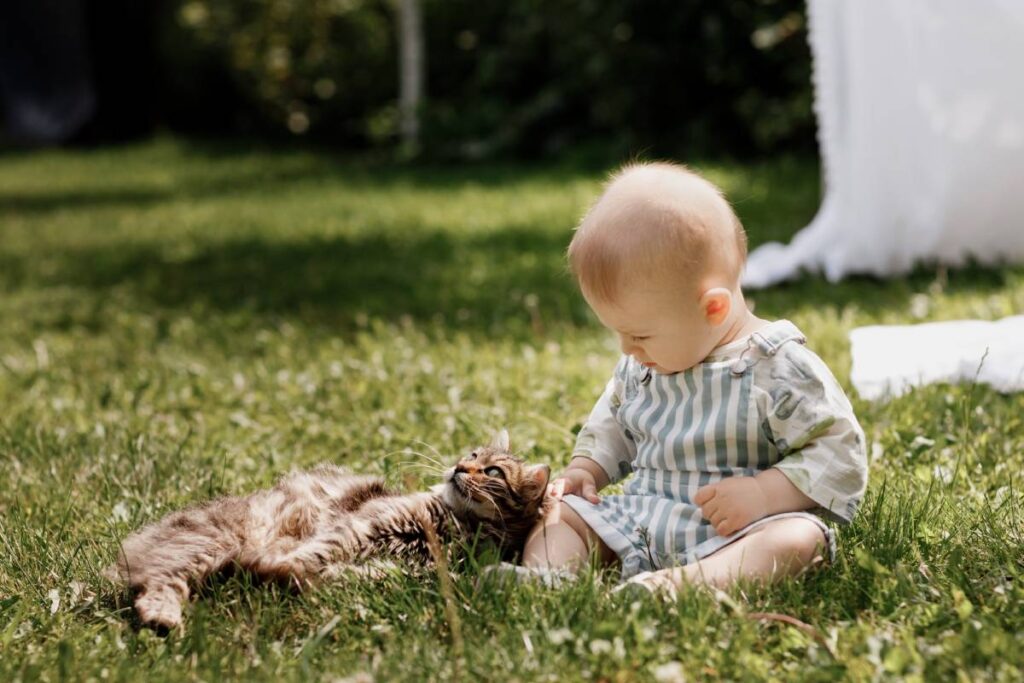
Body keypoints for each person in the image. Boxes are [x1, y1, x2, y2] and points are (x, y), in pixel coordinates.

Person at [512, 161, 868, 595]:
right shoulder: (645, 363)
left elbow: (838, 450)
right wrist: (586, 468)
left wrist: (764, 494)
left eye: (639, 334)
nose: (627, 350)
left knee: (799, 540)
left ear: (712, 309)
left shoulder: (777, 367)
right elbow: (614, 424)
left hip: (736, 531)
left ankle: (683, 586)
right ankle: (546, 580)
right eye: (619, 334)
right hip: (642, 515)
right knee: (559, 513)